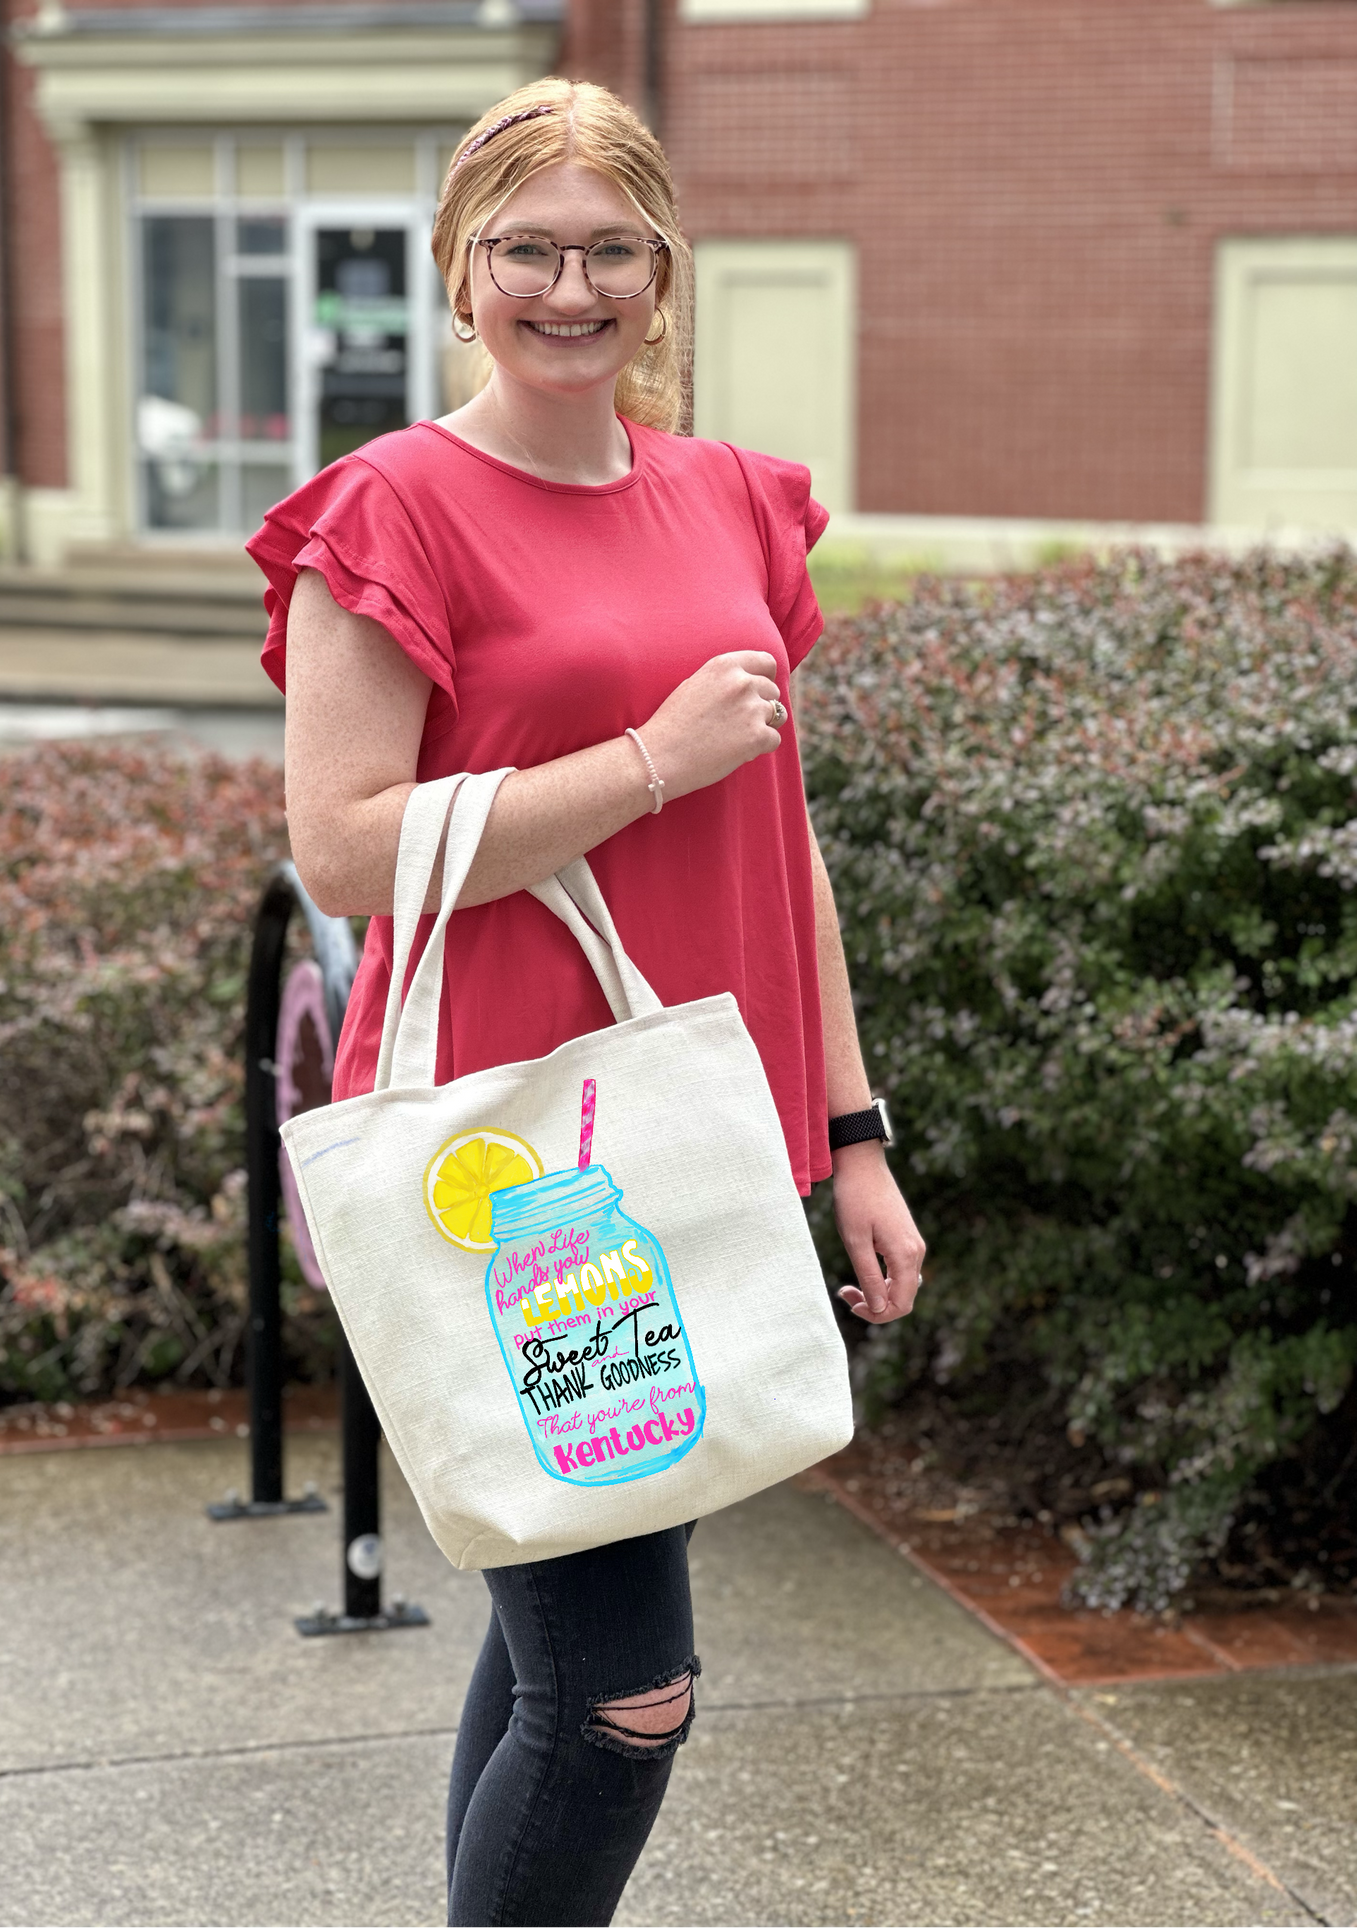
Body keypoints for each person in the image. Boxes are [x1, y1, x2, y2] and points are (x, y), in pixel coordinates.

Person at [248, 75, 925, 1928]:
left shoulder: (726, 501)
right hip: (526, 1167)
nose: (571, 286)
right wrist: (642, 758)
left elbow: (782, 847)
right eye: (527, 249)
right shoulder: (392, 511)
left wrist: (853, 1132)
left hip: (698, 1132)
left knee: (568, 1628)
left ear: (663, 270)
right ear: (463, 273)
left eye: (610, 248)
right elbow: (344, 848)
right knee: (626, 1693)